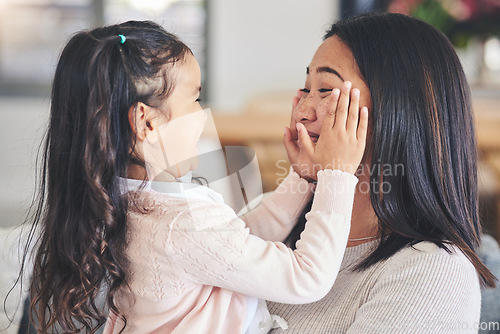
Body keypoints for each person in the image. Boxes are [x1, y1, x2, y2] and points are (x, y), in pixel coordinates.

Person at [24, 20, 369, 333]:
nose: (204, 116)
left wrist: (303, 178)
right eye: (195, 99)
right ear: (147, 123)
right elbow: (306, 277)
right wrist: (336, 174)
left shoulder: (131, 203)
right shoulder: (180, 224)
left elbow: (241, 240)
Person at [270, 12, 497, 333]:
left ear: (399, 108)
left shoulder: (432, 272)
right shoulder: (277, 226)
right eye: (306, 89)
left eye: (326, 91)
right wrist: (306, 180)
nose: (302, 112)